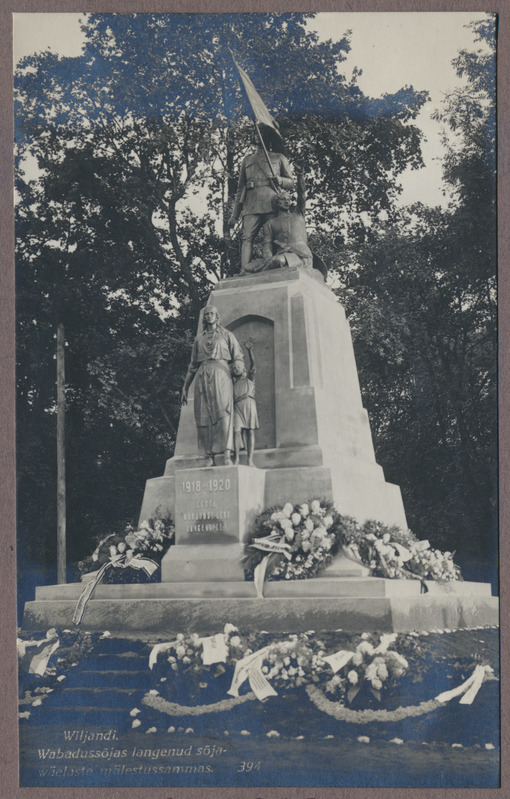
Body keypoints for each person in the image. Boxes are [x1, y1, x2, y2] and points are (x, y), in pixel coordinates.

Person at [181, 306, 244, 466]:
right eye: (207, 314)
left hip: (221, 373)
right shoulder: (198, 340)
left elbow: (238, 357)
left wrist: (238, 371)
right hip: (202, 375)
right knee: (203, 415)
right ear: (204, 318)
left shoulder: (227, 335)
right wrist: (185, 387)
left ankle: (227, 454)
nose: (209, 316)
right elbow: (192, 366)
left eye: (212, 314)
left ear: (217, 317)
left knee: (223, 413)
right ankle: (208, 455)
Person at [228, 129, 296, 269]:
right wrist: (235, 215)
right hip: (251, 203)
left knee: (274, 238)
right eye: (255, 133)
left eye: (261, 133)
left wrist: (280, 180)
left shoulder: (279, 158)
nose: (258, 136)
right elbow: (240, 189)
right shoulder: (247, 160)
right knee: (247, 237)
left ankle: (276, 266)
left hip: (272, 202)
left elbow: (291, 182)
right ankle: (244, 270)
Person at [231, 340, 259, 467]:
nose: (236, 369)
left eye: (239, 367)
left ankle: (250, 460)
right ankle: (236, 459)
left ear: (243, 369)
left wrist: (249, 351)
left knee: (250, 431)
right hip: (237, 406)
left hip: (249, 405)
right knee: (236, 431)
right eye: (234, 368)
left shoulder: (249, 379)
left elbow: (253, 364)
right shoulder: (233, 384)